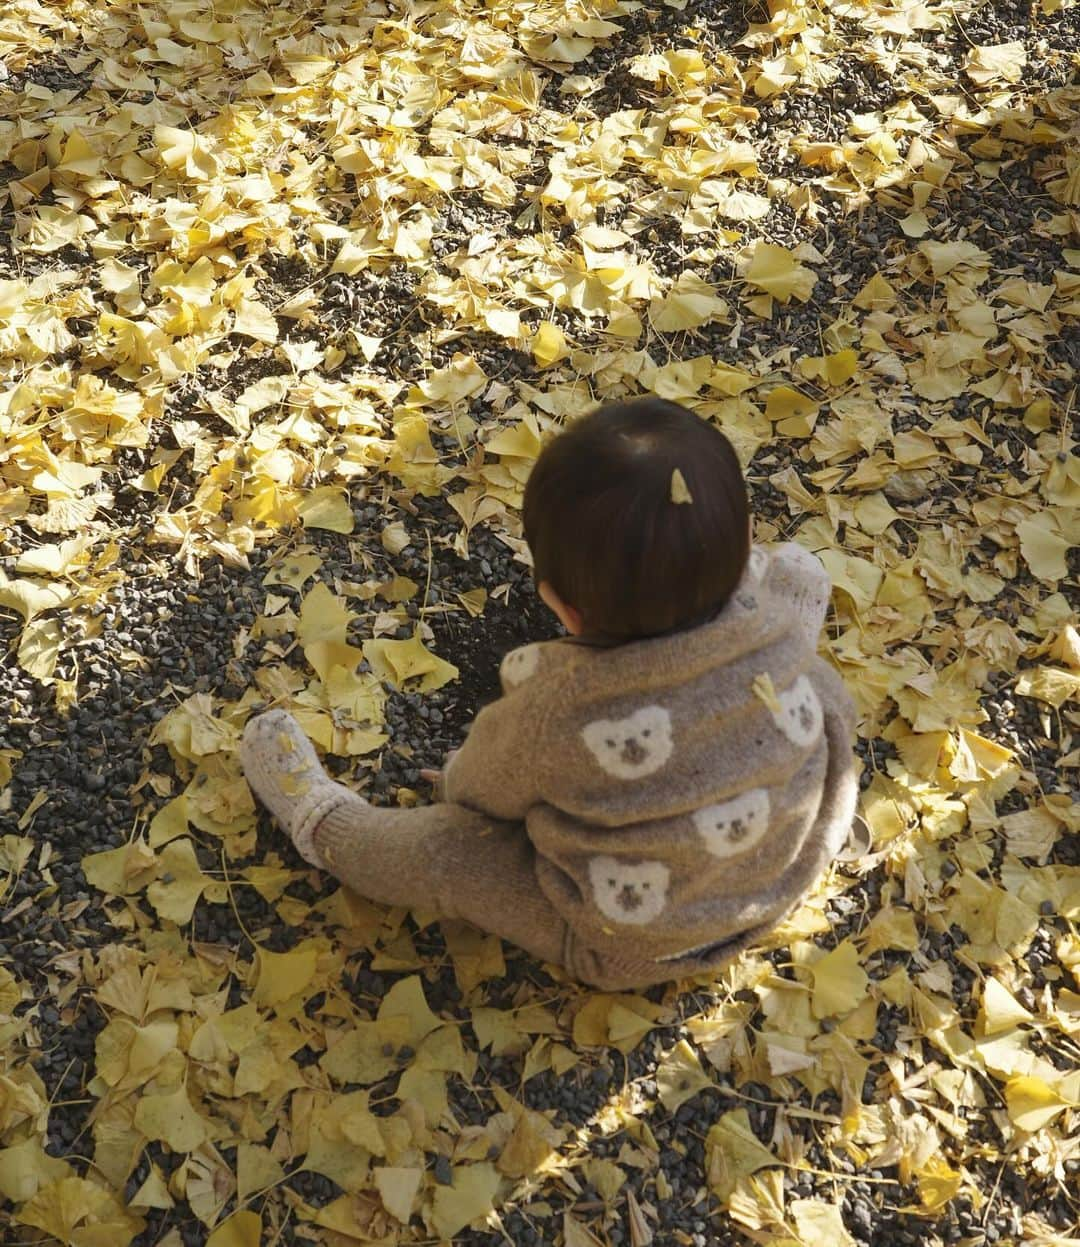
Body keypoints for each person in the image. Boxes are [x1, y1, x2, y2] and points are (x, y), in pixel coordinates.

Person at [241, 397, 859, 990]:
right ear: (749, 540)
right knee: (795, 676)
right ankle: (764, 659)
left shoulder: (562, 706)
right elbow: (836, 715)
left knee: (447, 853)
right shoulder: (779, 637)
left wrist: (455, 781)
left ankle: (322, 824)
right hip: (781, 874)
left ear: (561, 607)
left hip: (624, 940)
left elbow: (481, 791)